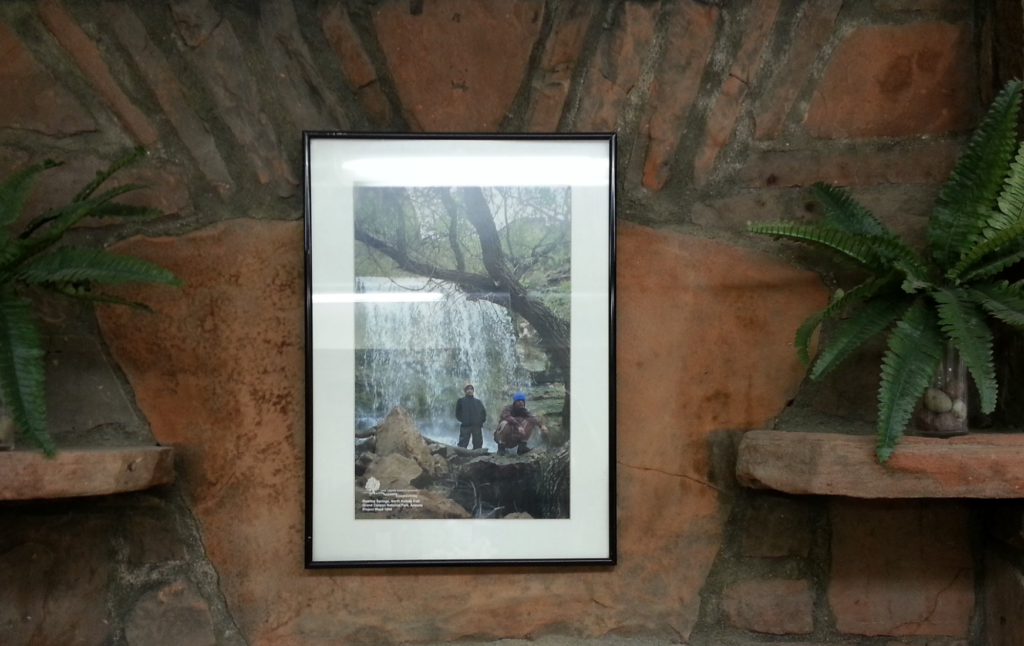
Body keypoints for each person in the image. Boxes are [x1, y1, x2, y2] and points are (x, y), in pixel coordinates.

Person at [455, 383, 486, 450]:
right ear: (465, 391)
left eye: (471, 389)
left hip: (476, 426)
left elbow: (483, 413)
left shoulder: (478, 402)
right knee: (463, 443)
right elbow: (457, 413)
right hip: (465, 425)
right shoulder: (461, 401)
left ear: (473, 390)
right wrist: (463, 420)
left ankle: (478, 457)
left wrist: (480, 422)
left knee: (478, 443)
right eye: (468, 389)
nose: (470, 390)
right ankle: (461, 456)